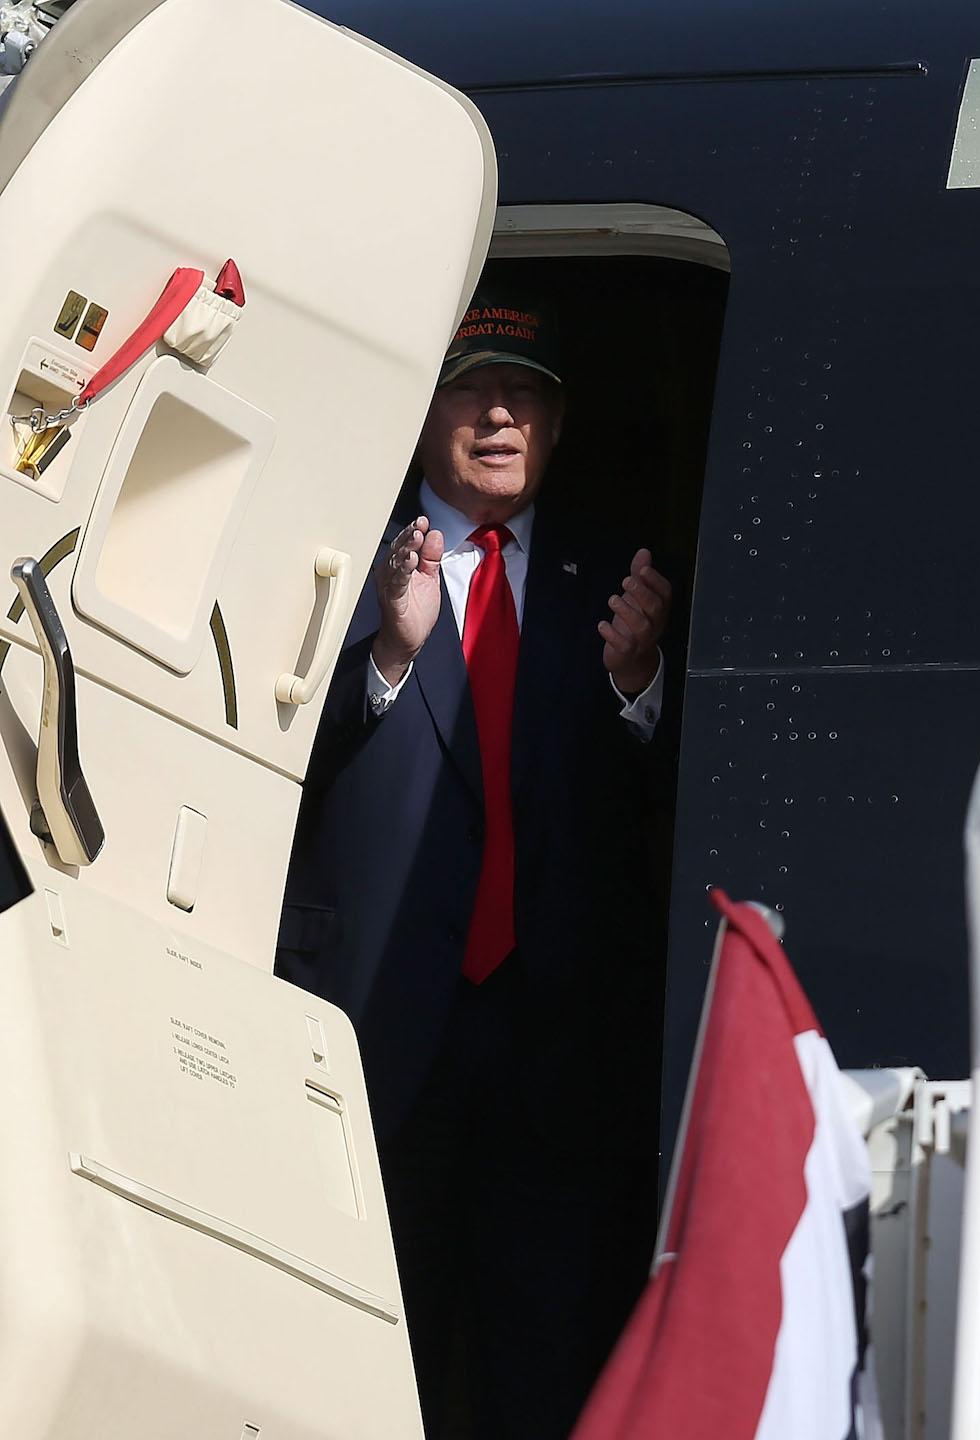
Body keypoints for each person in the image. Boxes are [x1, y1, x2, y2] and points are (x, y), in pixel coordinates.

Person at [277, 288, 678, 1437]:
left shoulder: (615, 577)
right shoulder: (340, 548)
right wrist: (387, 657)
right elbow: (265, 752)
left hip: (551, 1058)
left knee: (540, 1369)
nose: (501, 415)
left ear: (556, 423)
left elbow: (646, 806)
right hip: (374, 1042)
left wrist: (634, 684)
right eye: (475, 387)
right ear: (425, 407)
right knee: (370, 1366)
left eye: (527, 394)